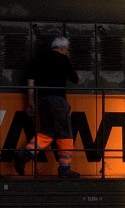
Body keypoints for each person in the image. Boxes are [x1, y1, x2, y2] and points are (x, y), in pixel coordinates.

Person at [15, 36, 80, 178]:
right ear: (63, 48)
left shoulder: (38, 59)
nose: (66, 52)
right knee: (65, 134)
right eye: (66, 50)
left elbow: (30, 81)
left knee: (47, 133)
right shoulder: (63, 59)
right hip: (58, 101)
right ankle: (64, 169)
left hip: (42, 101)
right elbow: (75, 79)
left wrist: (31, 101)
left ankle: (25, 154)